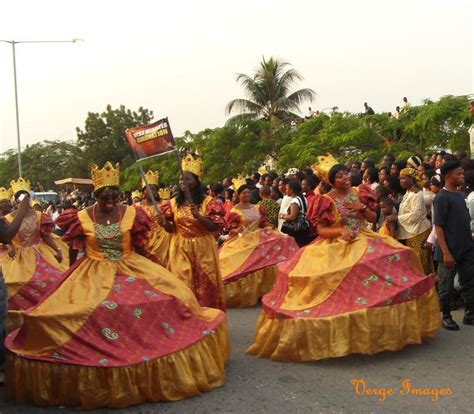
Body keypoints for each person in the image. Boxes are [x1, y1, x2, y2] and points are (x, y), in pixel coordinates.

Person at [5, 162, 230, 409]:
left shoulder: (133, 214)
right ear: (96, 194)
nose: (110, 197)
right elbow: (74, 251)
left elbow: (142, 247)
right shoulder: (79, 217)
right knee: (69, 313)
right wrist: (68, 278)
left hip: (130, 266)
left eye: (114, 192)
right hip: (93, 271)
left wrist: (157, 271)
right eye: (104, 194)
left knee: (175, 297)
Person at [248, 163, 440, 362]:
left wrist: (362, 207)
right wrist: (340, 231)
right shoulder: (325, 200)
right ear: (332, 181)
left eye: (346, 174)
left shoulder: (360, 192)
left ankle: (379, 329)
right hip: (335, 243)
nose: (345, 178)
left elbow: (373, 217)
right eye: (339, 176)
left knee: (402, 255)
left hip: (363, 236)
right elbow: (321, 230)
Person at [2, 178, 69, 332]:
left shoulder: (39, 216)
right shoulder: (8, 218)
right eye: (20, 199)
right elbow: (6, 237)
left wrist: (57, 250)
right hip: (17, 257)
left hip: (40, 253)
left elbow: (46, 236)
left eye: (25, 198)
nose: (23, 202)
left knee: (56, 278)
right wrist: (10, 245)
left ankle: (49, 311)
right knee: (13, 282)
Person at [163, 153, 226, 310]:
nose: (183, 182)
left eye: (187, 179)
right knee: (183, 283)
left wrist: (198, 216)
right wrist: (164, 224)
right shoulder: (172, 204)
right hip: (180, 248)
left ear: (196, 181)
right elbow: (172, 229)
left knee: (205, 284)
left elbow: (214, 227)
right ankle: (188, 317)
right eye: (180, 179)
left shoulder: (208, 202)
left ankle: (207, 317)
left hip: (202, 247)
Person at [219, 184, 298, 308]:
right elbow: (232, 229)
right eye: (244, 193)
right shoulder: (234, 211)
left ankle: (265, 291)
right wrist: (241, 231)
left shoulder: (258, 208)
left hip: (258, 238)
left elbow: (263, 222)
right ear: (238, 195)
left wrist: (269, 229)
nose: (246, 195)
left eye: (248, 193)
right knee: (240, 265)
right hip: (242, 240)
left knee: (269, 258)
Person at [434, 160, 474, 330]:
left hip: (466, 247)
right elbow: (439, 227)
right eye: (458, 174)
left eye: (462, 174)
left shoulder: (461, 196)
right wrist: (446, 252)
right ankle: (446, 316)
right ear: (447, 176)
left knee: (469, 282)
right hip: (448, 250)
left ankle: (470, 314)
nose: (461, 176)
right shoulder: (441, 198)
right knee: (446, 286)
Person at [388, 168, 433, 275]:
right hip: (410, 232)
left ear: (412, 179)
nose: (401, 181)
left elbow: (415, 216)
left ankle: (427, 287)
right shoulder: (409, 192)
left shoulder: (416, 194)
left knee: (421, 262)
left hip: (418, 231)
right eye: (400, 179)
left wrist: (397, 218)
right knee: (414, 262)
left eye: (404, 178)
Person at [138, 171, 173, 268]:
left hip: (163, 241)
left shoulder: (164, 204)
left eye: (153, 189)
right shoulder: (137, 207)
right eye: (148, 189)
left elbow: (172, 223)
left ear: (156, 191)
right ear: (143, 191)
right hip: (146, 241)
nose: (151, 191)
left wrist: (164, 221)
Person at [280, 180, 312, 247]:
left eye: (287, 189)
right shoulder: (303, 198)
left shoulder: (295, 200)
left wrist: (282, 216)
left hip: (297, 229)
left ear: (291, 190)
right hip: (305, 226)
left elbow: (292, 216)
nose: (286, 191)